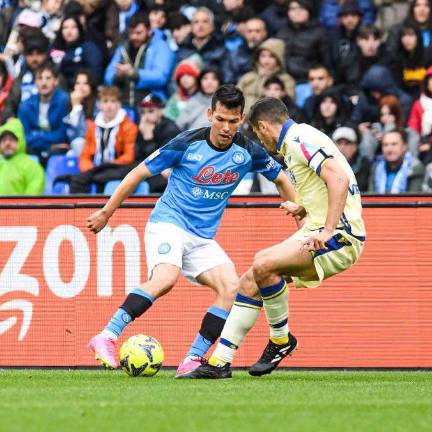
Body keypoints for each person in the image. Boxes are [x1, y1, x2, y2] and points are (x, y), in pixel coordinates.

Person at [86, 85, 295, 378]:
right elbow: (138, 173)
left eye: (232, 121)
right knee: (165, 278)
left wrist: (302, 225)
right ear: (210, 115)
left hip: (201, 238)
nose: (226, 128)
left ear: (241, 119)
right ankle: (107, 335)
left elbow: (282, 179)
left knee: (230, 288)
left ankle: (193, 359)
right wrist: (107, 212)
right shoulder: (186, 143)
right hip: (168, 223)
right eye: (220, 119)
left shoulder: (248, 151)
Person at [189, 97, 366, 379]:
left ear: (262, 126)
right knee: (251, 279)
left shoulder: (298, 140)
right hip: (319, 229)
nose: (260, 140)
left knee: (263, 262)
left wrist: (328, 229)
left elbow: (339, 180)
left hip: (341, 236)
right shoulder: (300, 138)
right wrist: (303, 208)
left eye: (257, 133)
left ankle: (281, 340)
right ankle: (219, 362)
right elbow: (327, 184)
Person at [69, 86, 137, 193]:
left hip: (116, 168)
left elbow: (129, 156)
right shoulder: (92, 126)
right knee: (77, 182)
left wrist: (106, 166)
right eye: (105, 101)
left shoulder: (129, 126)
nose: (109, 105)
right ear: (100, 105)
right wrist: (90, 169)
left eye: (113, 101)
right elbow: (84, 156)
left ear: (119, 104)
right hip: (95, 169)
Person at [104, 12, 175, 109]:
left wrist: (134, 73)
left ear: (149, 30)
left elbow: (161, 77)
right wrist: (117, 76)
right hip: (124, 106)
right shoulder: (122, 48)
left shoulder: (161, 47)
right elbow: (108, 76)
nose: (134, 37)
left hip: (151, 105)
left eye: (138, 33)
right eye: (131, 33)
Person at [18, 63, 69, 163]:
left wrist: (36, 135)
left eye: (48, 78)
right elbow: (24, 137)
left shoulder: (65, 101)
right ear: (35, 82)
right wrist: (49, 144)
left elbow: (63, 134)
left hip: (58, 151)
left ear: (56, 81)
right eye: (40, 78)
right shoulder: (25, 105)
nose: (43, 83)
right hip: (37, 148)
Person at [237, 37, 295, 113]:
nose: (266, 61)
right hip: (241, 116)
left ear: (279, 59)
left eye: (271, 56)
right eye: (263, 56)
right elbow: (236, 97)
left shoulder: (286, 80)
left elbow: (288, 104)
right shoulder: (248, 77)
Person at [51, 15, 104, 88]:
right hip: (58, 88)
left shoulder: (89, 48)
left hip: (84, 87)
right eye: (65, 28)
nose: (69, 31)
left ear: (79, 29)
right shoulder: (55, 47)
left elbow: (95, 74)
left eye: (73, 27)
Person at [369, 128, 424, 193]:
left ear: (404, 147)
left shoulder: (415, 168)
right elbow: (371, 195)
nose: (389, 149)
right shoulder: (376, 167)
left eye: (394, 144)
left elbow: (413, 197)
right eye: (385, 145)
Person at [0, 118, 45, 195]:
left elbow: (32, 196)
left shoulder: (32, 166)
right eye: (3, 140)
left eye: (11, 140)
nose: (7, 143)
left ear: (20, 141)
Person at [63, 69, 98, 158]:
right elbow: (66, 133)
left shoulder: (98, 106)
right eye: (78, 83)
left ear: (91, 87)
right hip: (72, 147)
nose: (80, 87)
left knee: (78, 143)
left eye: (85, 84)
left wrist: (77, 107)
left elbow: (82, 135)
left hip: (93, 147)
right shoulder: (68, 102)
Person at [332, 126, 370, 192]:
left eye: (347, 143)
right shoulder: (325, 163)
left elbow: (361, 188)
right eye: (339, 143)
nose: (342, 147)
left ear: (355, 146)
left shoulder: (364, 164)